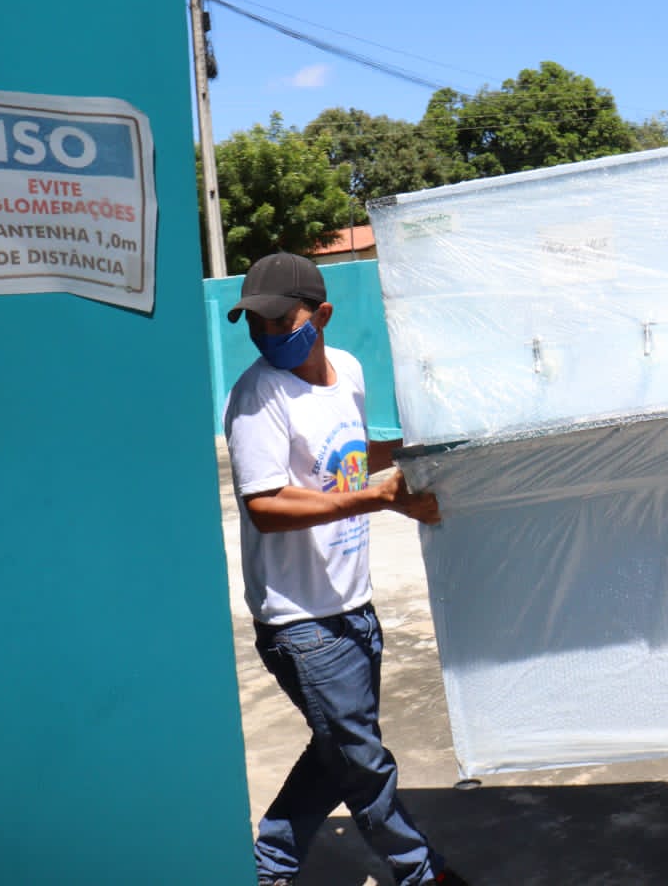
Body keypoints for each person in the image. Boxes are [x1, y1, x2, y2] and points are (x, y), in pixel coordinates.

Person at [223, 252, 467, 886]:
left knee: (335, 755)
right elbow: (266, 506)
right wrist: (375, 498)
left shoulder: (348, 373)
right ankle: (421, 873)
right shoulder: (258, 395)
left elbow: (356, 453)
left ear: (321, 315)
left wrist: (419, 458)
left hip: (353, 607)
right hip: (301, 621)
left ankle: (269, 865)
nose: (268, 335)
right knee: (362, 763)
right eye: (256, 325)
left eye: (282, 322)